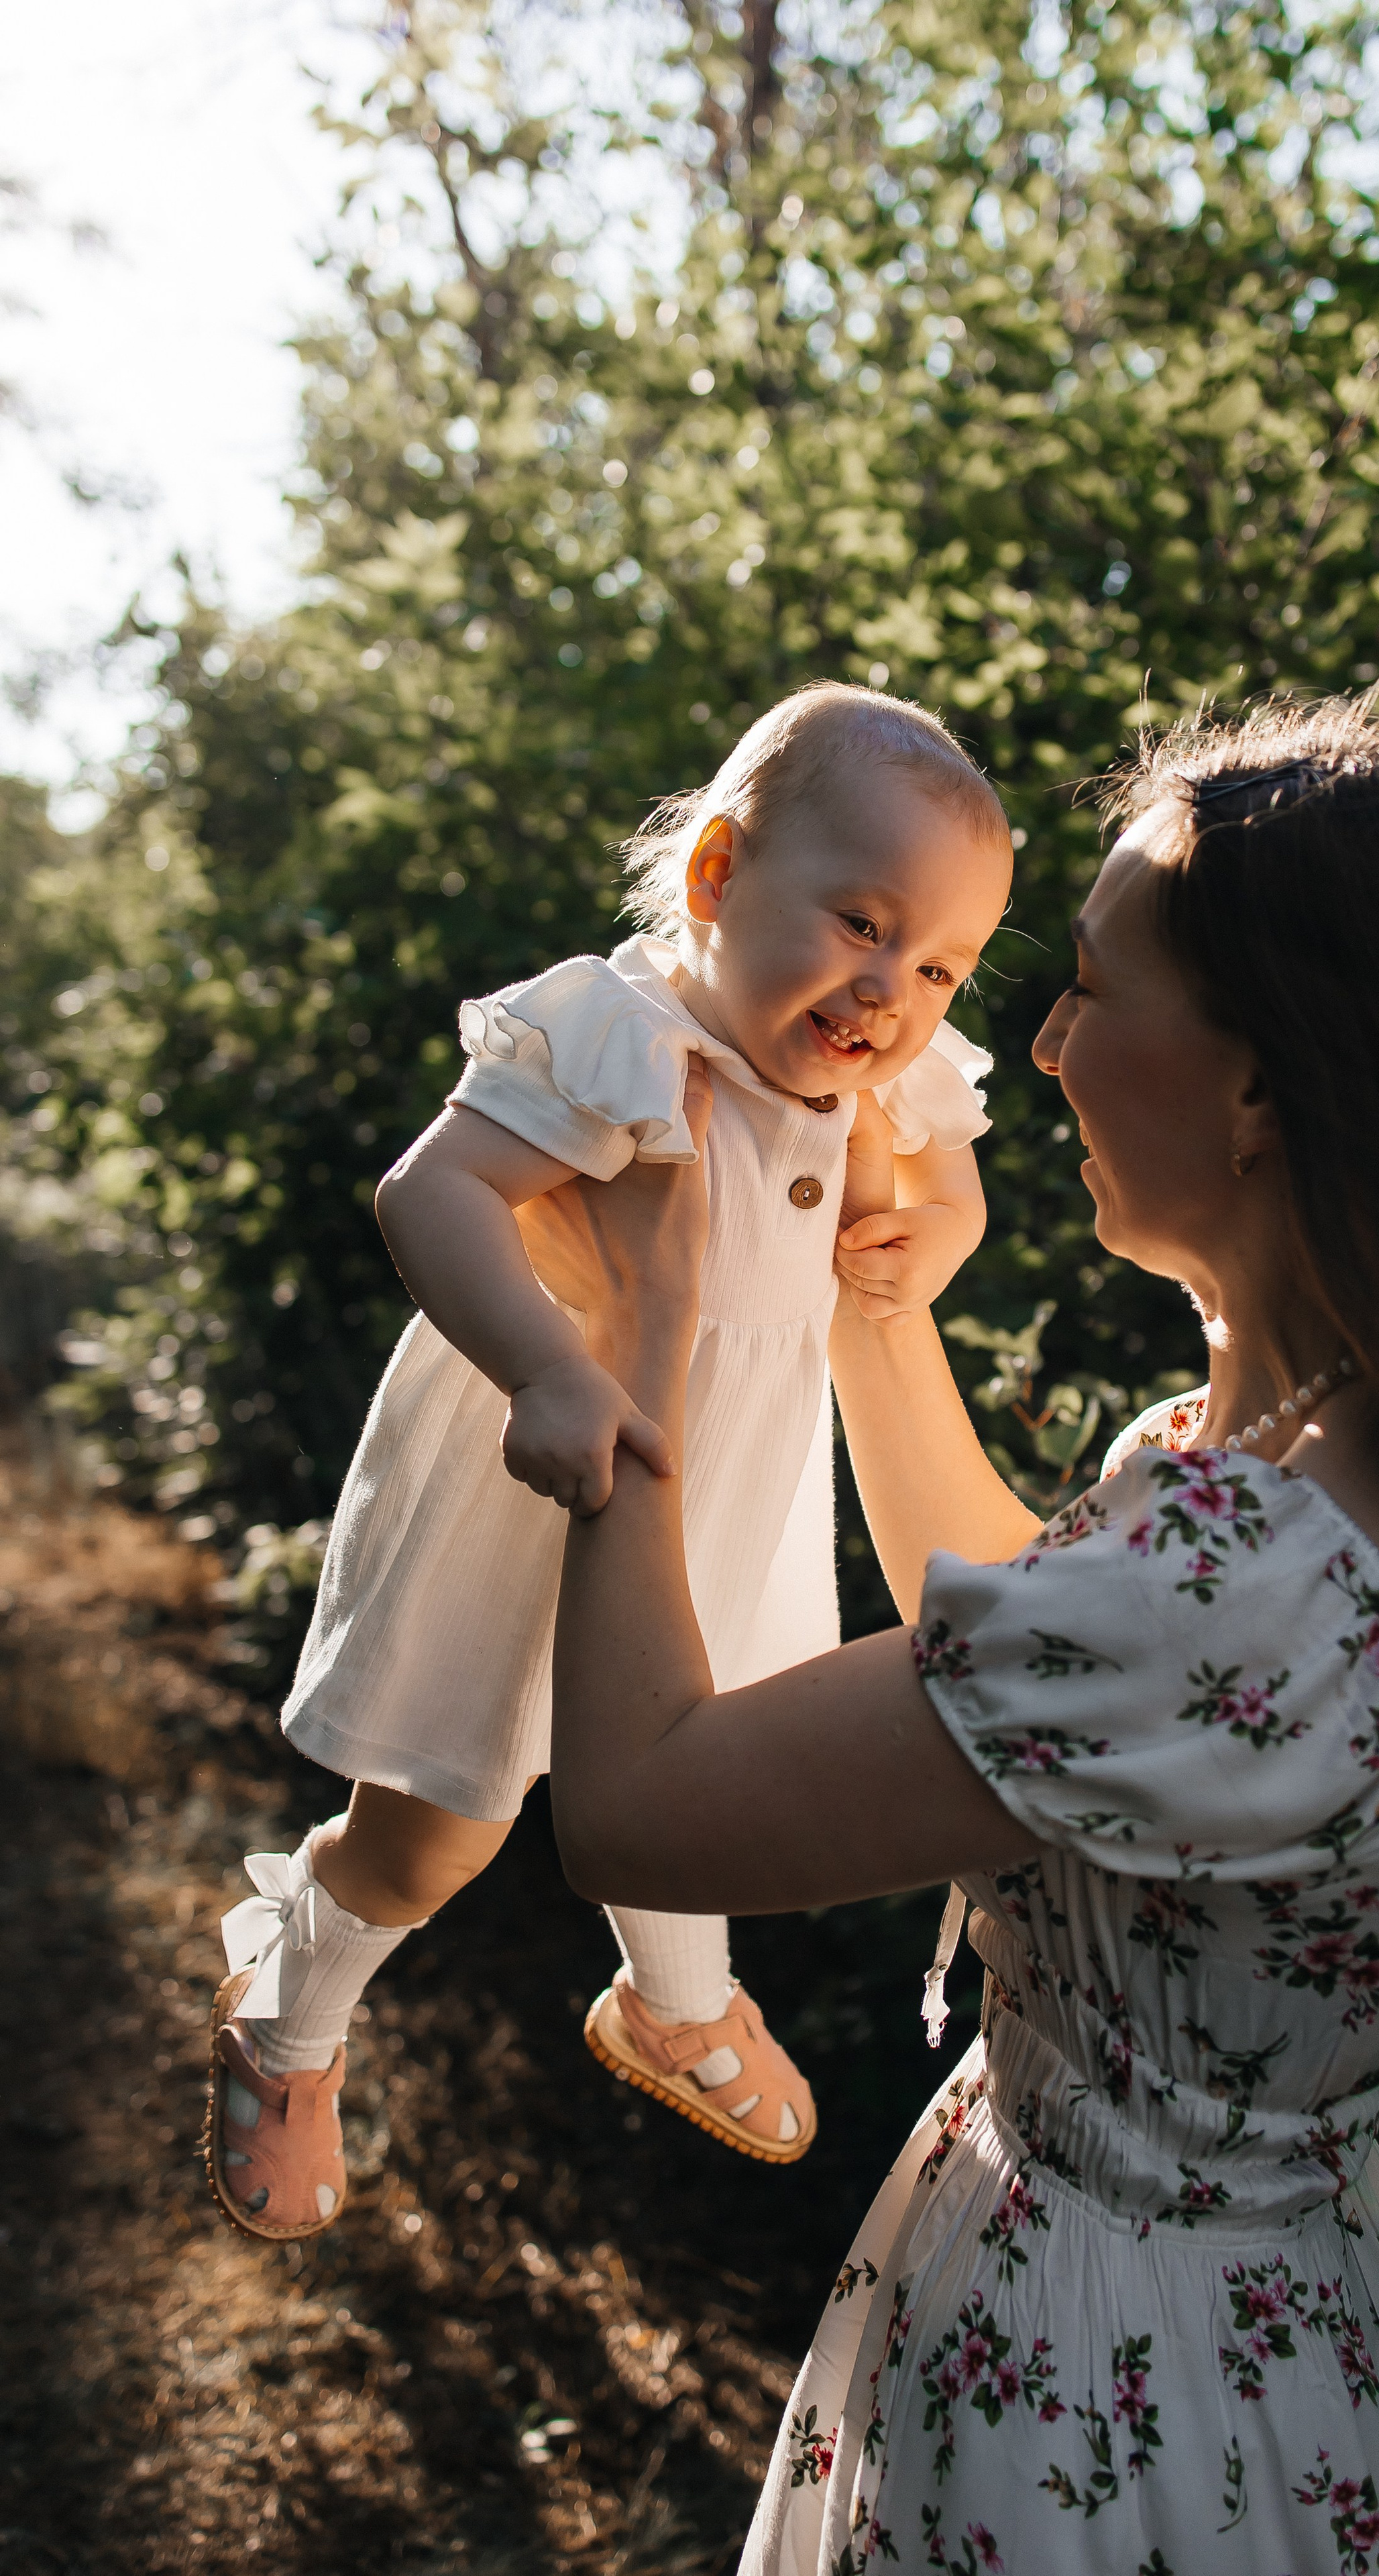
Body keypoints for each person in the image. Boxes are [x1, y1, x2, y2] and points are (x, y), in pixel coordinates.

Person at [539, 698, 1379, 2573]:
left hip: (1092, 2390)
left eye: (1091, 989)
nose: (1046, 1044)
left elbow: (641, 1809)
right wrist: (872, 1319)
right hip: (1290, 2340)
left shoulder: (1258, 1584)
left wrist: (636, 1334)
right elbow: (1044, 1678)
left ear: (1263, 1087)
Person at [203, 682, 1014, 2243]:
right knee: (443, 1818)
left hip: (734, 1476)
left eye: (939, 964)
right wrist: (547, 1370)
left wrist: (941, 1228)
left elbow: (949, 1172)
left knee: (700, 1751)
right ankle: (288, 2009)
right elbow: (429, 1193)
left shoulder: (878, 1065)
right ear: (716, 877)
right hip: (550, 1455)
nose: (891, 991)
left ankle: (676, 2004)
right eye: (858, 923)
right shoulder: (623, 1030)